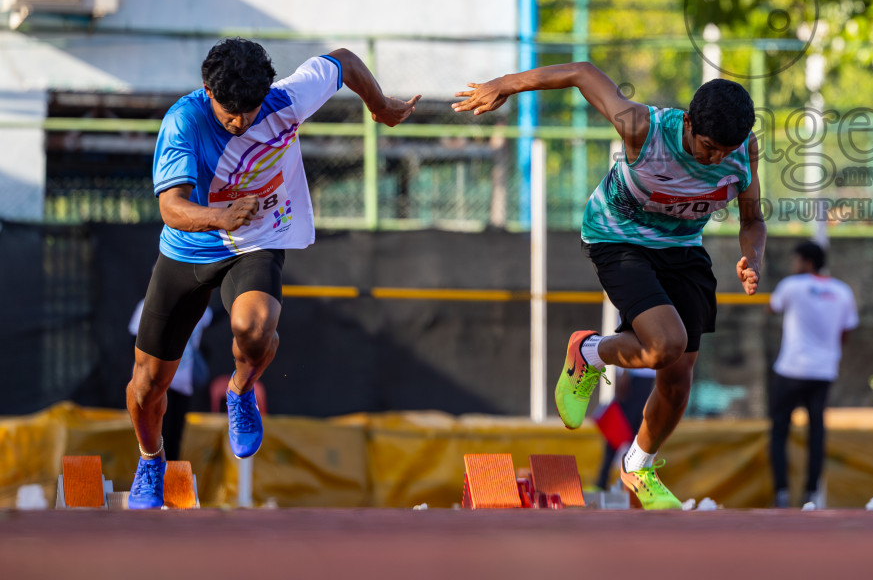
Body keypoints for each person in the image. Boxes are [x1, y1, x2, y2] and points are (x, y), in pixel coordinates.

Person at [454, 64, 765, 509]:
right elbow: (581, 73)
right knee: (665, 345)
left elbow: (753, 220)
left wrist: (751, 256)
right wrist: (503, 85)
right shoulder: (644, 128)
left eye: (725, 151)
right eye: (708, 147)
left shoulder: (742, 150)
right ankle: (588, 351)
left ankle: (638, 465)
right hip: (617, 237)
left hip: (682, 245)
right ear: (690, 124)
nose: (715, 159)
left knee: (677, 382)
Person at [125, 39, 418, 509]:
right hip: (191, 248)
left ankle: (241, 392)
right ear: (207, 92)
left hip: (257, 241)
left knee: (254, 328)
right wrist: (221, 216)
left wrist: (379, 105)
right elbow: (171, 208)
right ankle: (151, 459)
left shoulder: (286, 98)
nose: (241, 122)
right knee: (146, 387)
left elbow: (343, 60)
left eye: (249, 110)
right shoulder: (185, 121)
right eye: (229, 115)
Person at [767, 240, 858, 508]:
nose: (793, 265)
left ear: (806, 261)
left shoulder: (791, 286)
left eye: (796, 260)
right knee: (816, 432)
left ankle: (781, 492)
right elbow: (846, 331)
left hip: (790, 369)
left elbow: (772, 307)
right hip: (823, 371)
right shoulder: (842, 291)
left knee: (779, 432)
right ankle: (811, 493)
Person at [128, 300, 211, 462]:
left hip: (181, 382)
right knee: (156, 432)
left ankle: (170, 474)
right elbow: (134, 339)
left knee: (175, 432)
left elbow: (212, 316)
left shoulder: (195, 304)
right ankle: (154, 470)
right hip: (156, 380)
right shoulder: (149, 304)